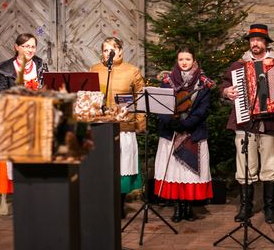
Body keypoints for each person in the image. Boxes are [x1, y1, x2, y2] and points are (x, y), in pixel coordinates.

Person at [221, 24, 274, 224]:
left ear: (265, 42)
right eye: (252, 40)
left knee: (270, 166)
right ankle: (245, 208)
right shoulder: (238, 65)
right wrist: (226, 92)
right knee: (244, 166)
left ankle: (269, 208)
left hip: (271, 123)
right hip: (245, 122)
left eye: (259, 40)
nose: (255, 43)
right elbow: (224, 84)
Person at [154, 47, 214, 222]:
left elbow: (202, 110)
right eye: (181, 59)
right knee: (175, 171)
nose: (184, 62)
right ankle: (178, 208)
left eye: (188, 59)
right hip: (170, 133)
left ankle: (188, 208)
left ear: (194, 60)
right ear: (177, 61)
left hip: (193, 131)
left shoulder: (203, 83)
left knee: (189, 173)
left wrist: (184, 124)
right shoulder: (167, 81)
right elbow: (160, 106)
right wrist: (171, 122)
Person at [0, 33, 48, 215]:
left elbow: (47, 88)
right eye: (26, 46)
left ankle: (34, 194)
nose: (30, 50)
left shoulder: (40, 65)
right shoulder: (5, 69)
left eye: (33, 46)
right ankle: (12, 197)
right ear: (17, 47)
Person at [90, 37, 145, 219]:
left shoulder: (132, 71)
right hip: (100, 125)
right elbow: (89, 95)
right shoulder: (95, 69)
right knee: (102, 167)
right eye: (105, 50)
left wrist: (140, 123)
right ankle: (103, 202)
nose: (108, 54)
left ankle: (119, 204)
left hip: (123, 126)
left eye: (112, 50)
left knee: (121, 167)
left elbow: (140, 98)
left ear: (120, 51)